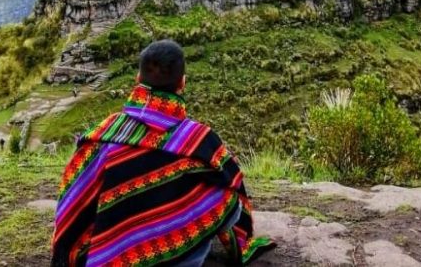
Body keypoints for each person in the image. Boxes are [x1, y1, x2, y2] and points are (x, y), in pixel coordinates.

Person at [51, 40, 275, 266]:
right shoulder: (199, 138)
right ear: (182, 83)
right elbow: (233, 181)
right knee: (227, 193)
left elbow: (74, 196)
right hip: (175, 249)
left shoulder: (102, 134)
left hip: (104, 255)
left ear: (138, 79)